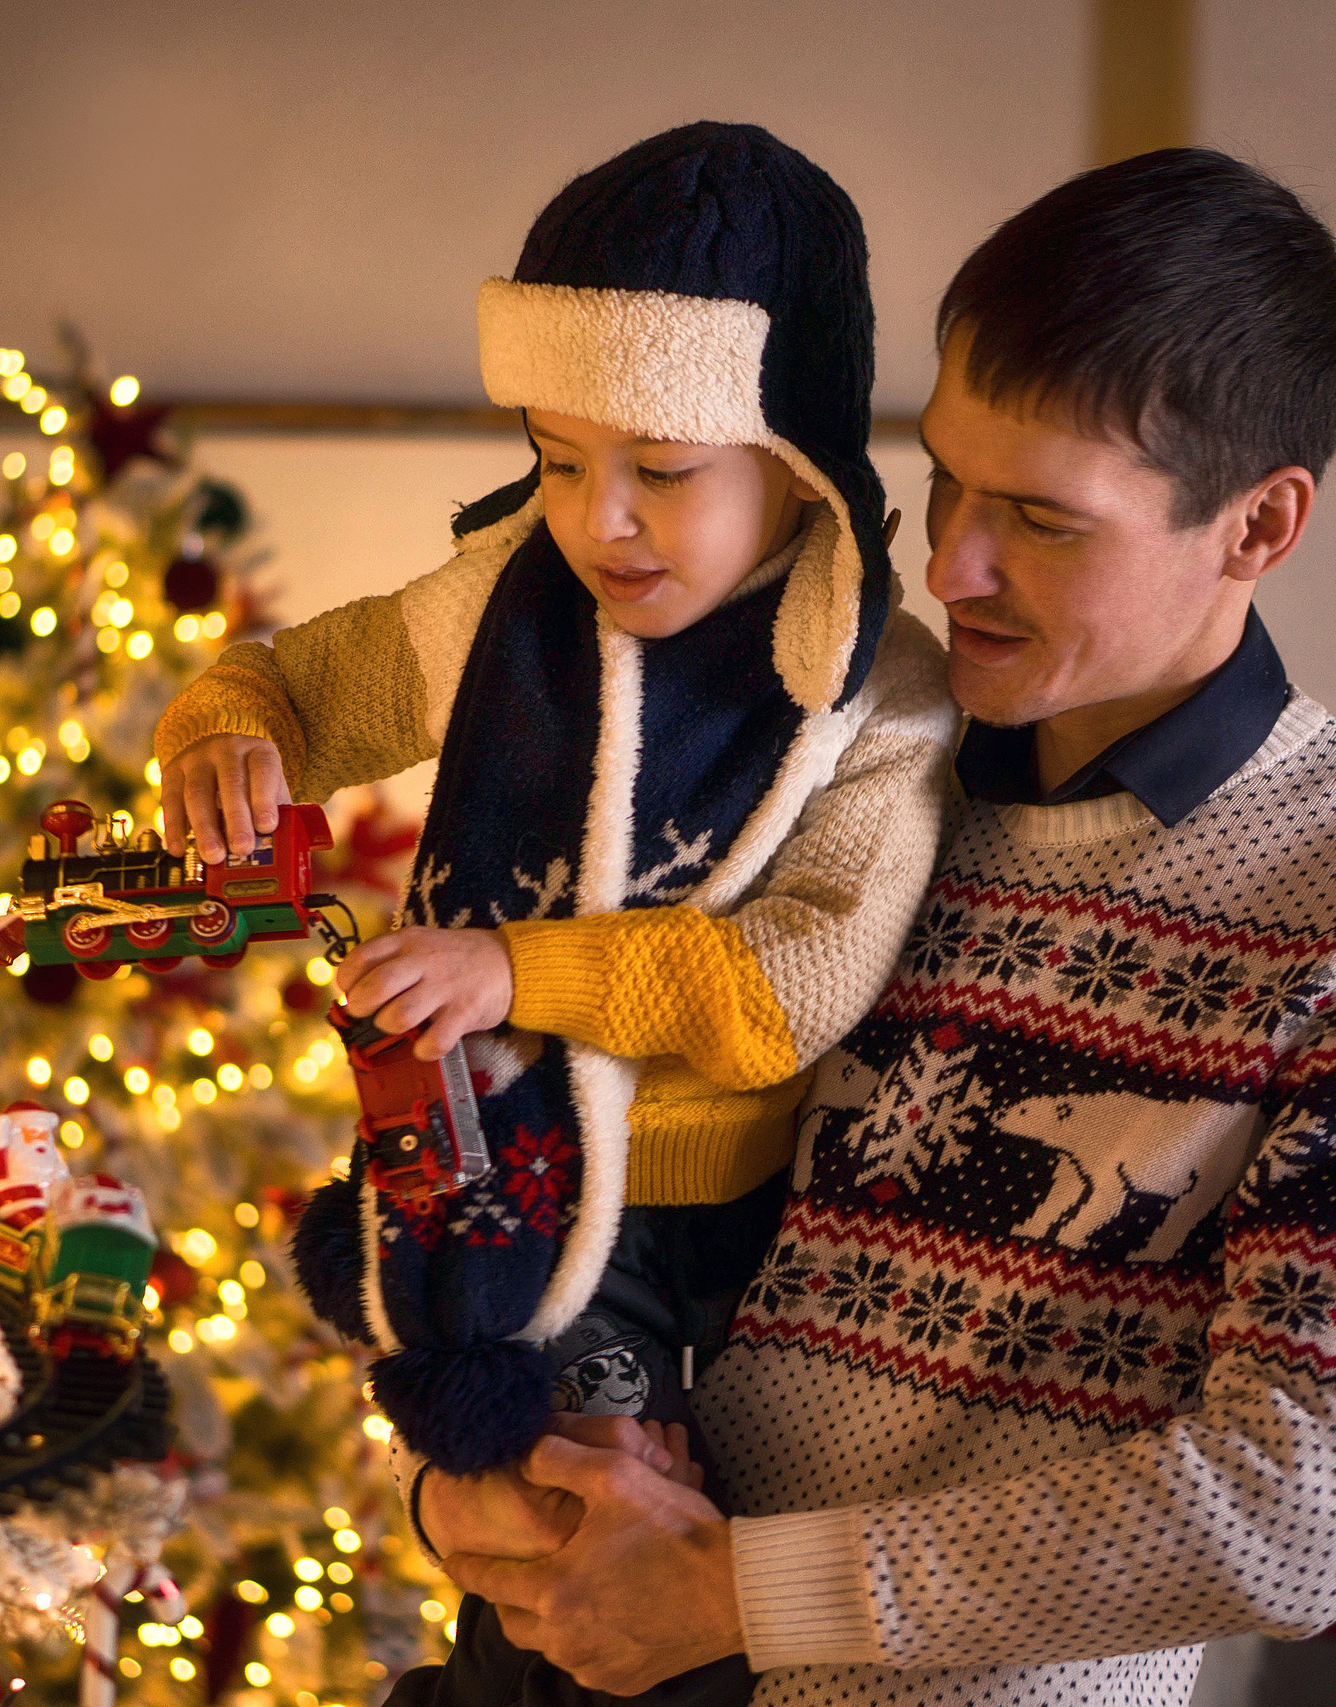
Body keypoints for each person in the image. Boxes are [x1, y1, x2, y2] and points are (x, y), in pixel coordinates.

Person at [420, 147, 1336, 1706]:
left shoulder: (1312, 902)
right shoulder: (830, 767)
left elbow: (1294, 1512)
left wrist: (736, 1596)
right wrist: (471, 1476)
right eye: (943, 478)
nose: (946, 561)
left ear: (1256, 526)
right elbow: (579, 1152)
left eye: (1038, 519)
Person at [155, 123, 957, 1705]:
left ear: (794, 451)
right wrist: (228, 731)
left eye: (663, 470)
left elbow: (794, 981)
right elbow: (300, 681)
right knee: (557, 1552)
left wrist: (515, 968)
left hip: (756, 1226)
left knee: (671, 1587)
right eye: (559, 457)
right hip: (511, 1183)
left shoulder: (872, 688)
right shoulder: (503, 603)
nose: (601, 521)